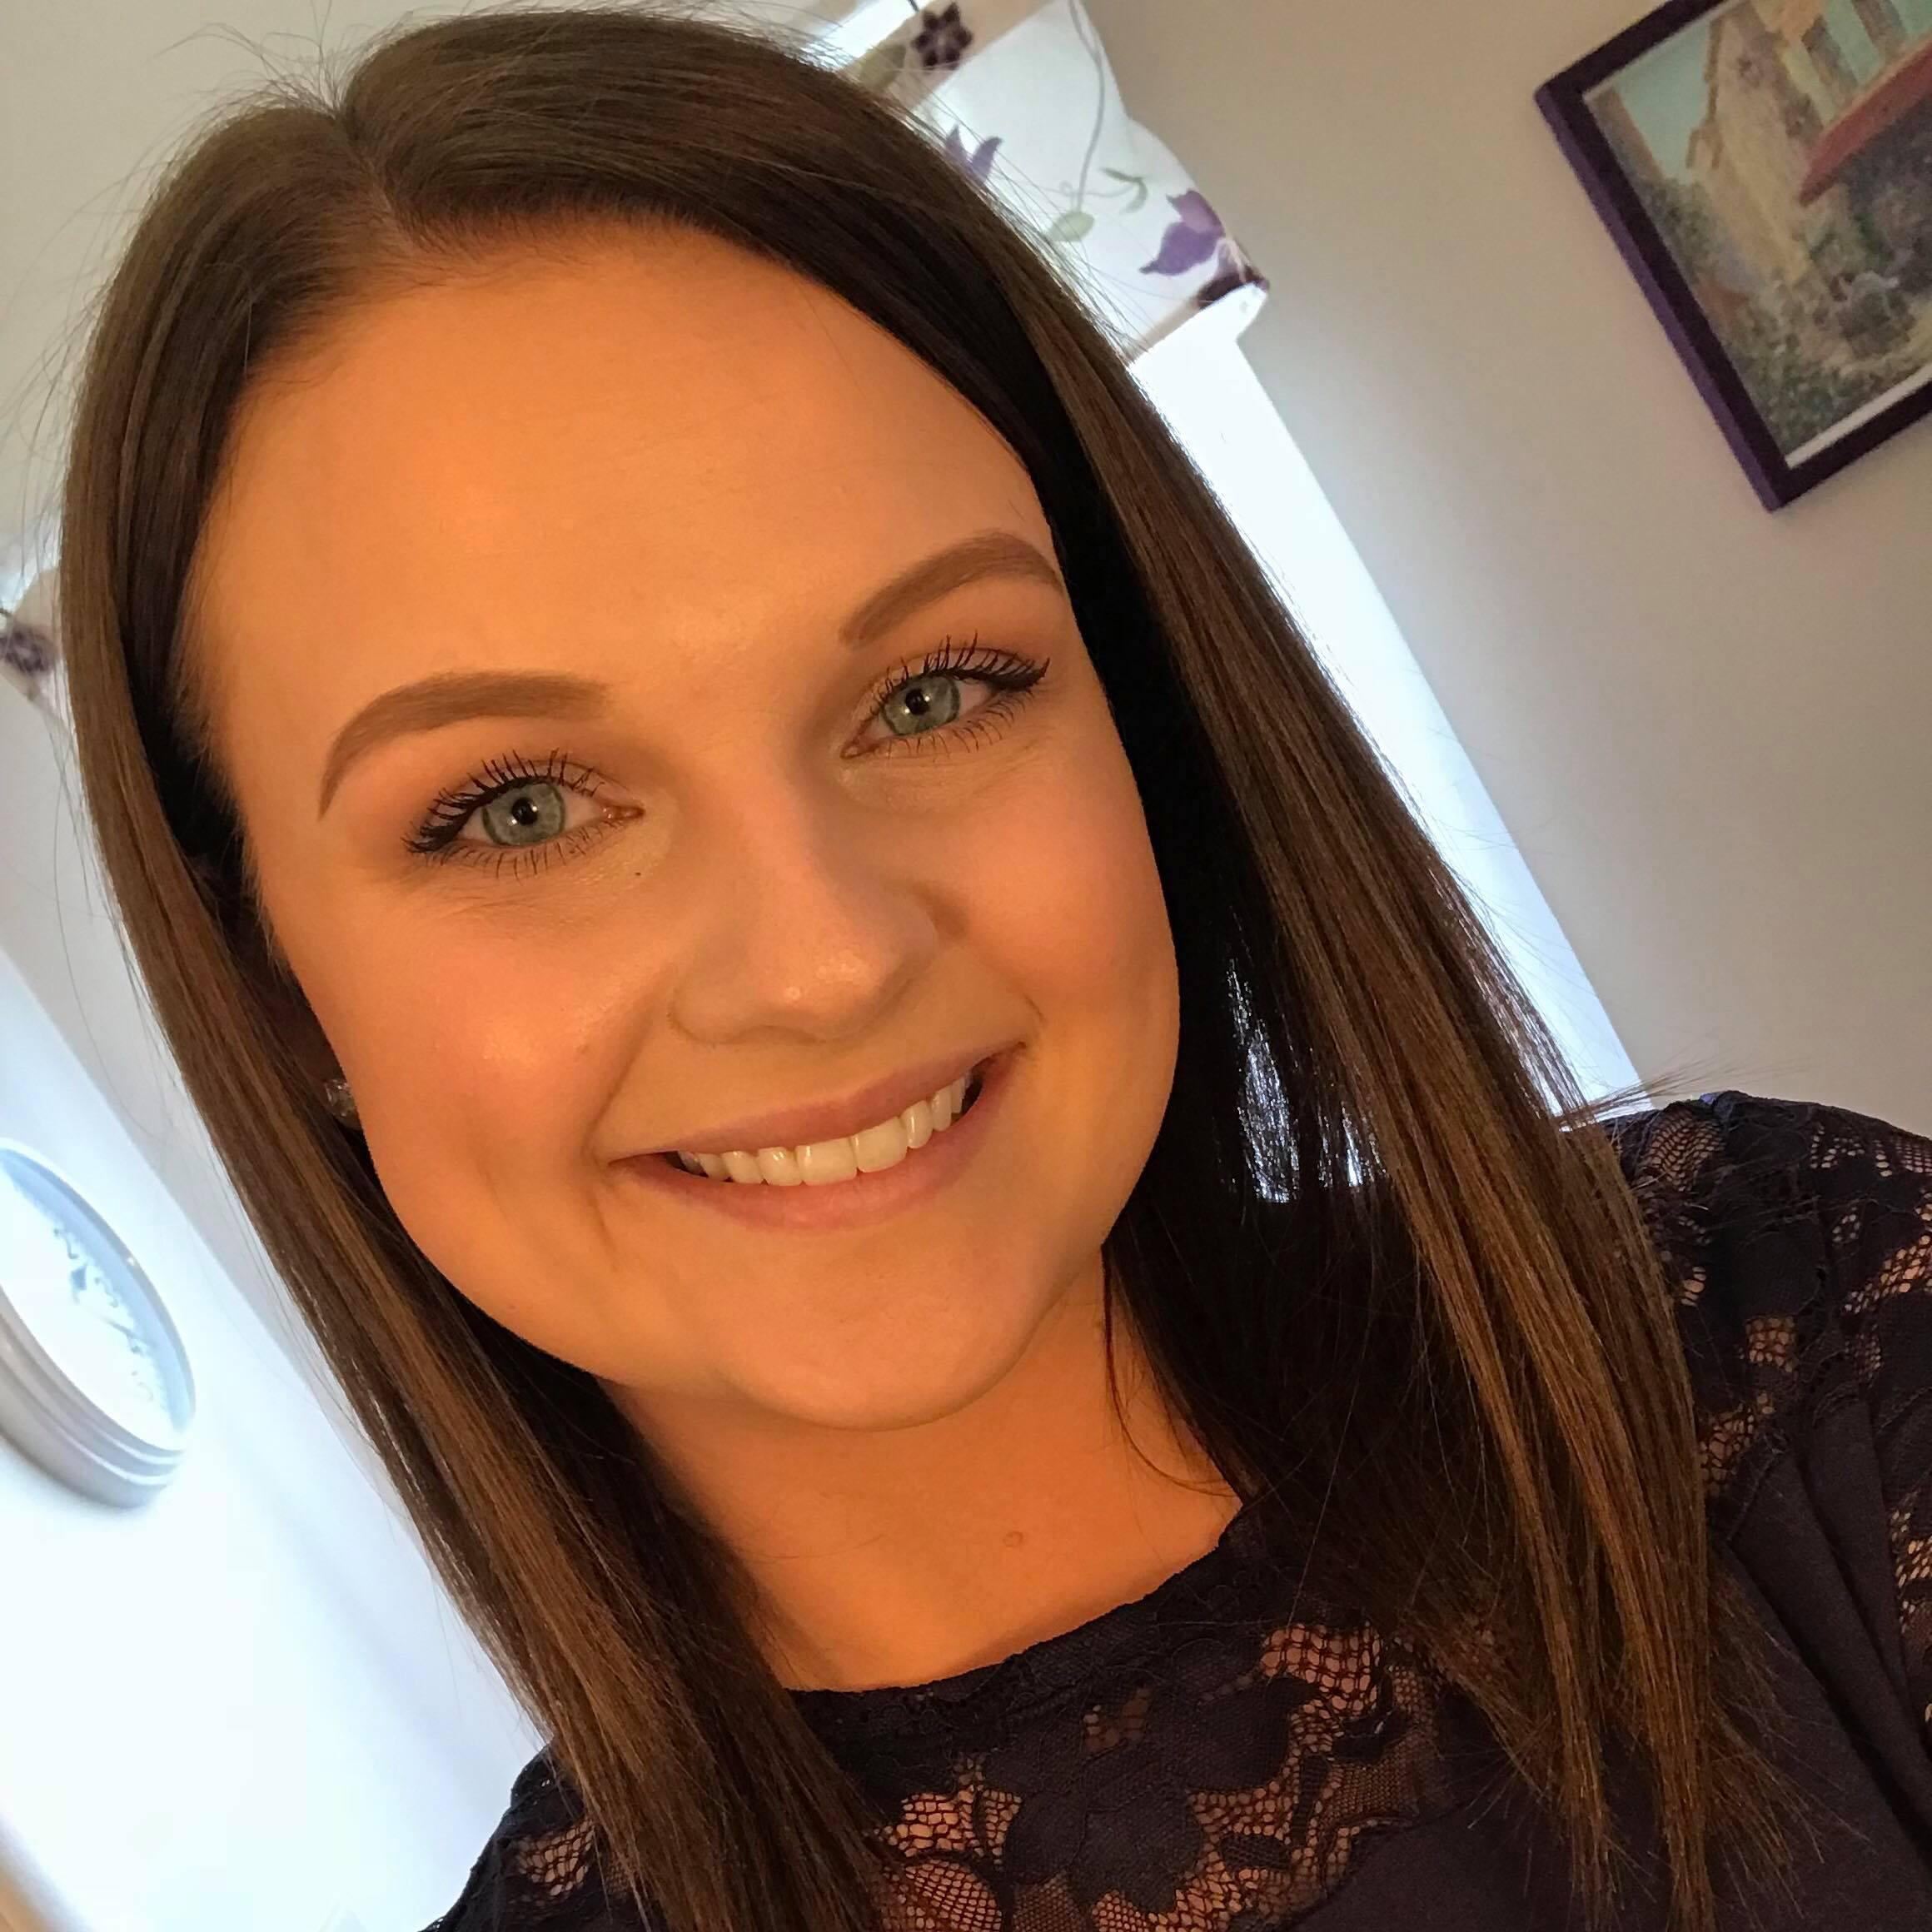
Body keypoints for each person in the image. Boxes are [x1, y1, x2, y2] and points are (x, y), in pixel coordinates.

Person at [48, 7, 1932, 1932]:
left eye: (934, 690)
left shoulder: (1817, 1334)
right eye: (517, 807)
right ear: (269, 983)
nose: (825, 957)